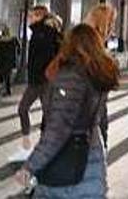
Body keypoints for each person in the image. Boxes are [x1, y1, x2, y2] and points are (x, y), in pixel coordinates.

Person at [15, 23, 119, 198]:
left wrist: (30, 166)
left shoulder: (71, 76)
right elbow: (101, 121)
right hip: (92, 159)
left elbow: (57, 131)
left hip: (68, 171)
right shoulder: (96, 76)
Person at [20, 5, 63, 152]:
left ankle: (40, 144)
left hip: (42, 80)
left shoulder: (45, 33)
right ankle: (35, 143)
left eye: (32, 16)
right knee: (45, 112)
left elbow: (47, 58)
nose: (29, 19)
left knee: (28, 109)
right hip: (40, 79)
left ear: (40, 16)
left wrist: (43, 74)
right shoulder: (40, 32)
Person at [0, 26, 19, 96]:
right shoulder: (12, 40)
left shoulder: (1, 41)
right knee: (7, 75)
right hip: (9, 60)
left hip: (2, 60)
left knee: (3, 75)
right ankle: (5, 89)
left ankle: (2, 88)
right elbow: (15, 50)